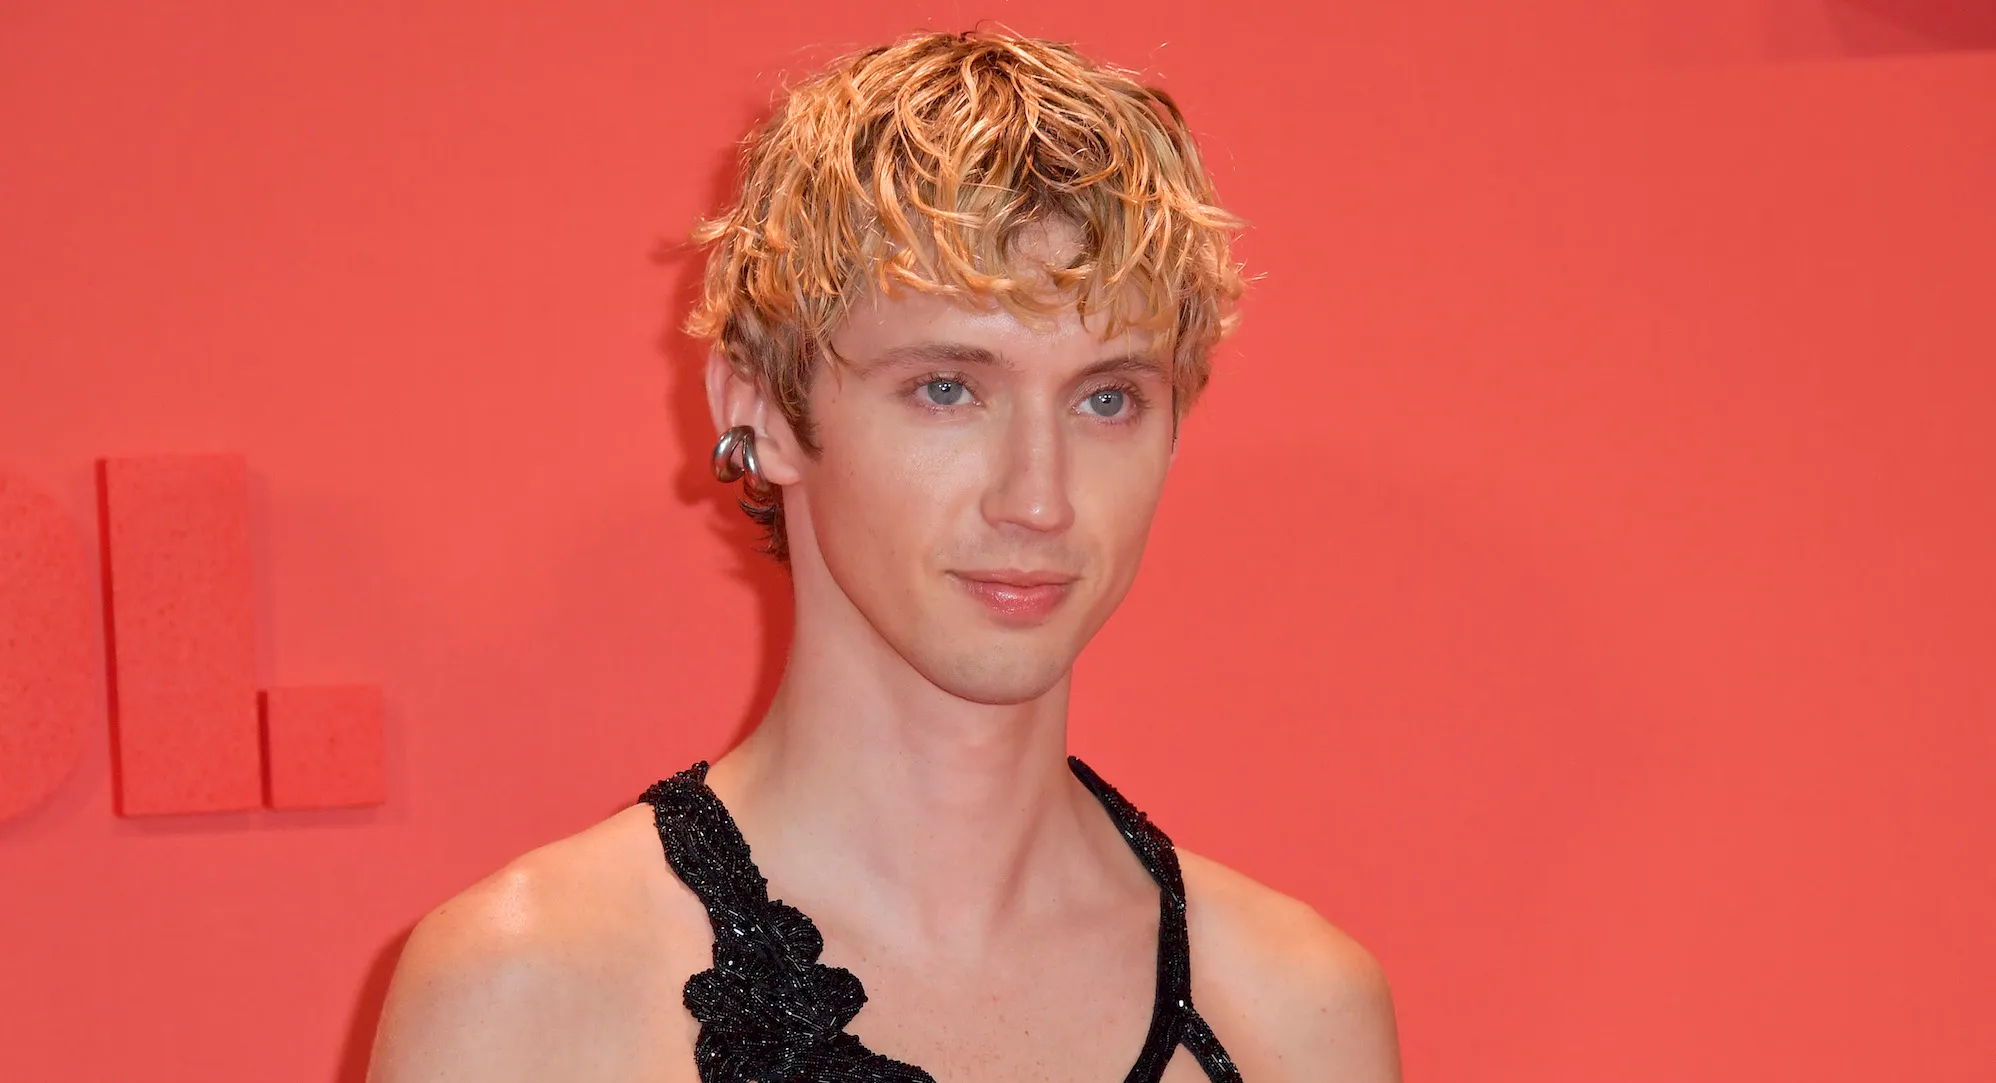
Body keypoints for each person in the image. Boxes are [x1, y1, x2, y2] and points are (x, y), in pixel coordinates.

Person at [369, 29, 1402, 1083]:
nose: (1038, 500)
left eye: (1106, 399)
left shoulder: (1299, 1014)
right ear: (759, 409)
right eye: (946, 390)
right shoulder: (530, 998)